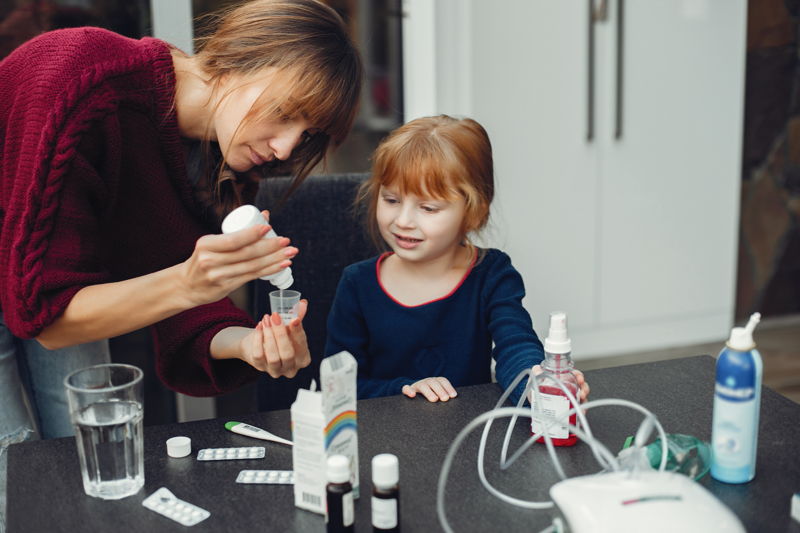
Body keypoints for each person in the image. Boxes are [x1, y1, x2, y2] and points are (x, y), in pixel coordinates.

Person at [0, 0, 362, 527]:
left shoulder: (218, 160)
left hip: (56, 275)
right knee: (15, 467)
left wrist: (250, 344)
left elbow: (184, 311)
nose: (286, 147)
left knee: (88, 453)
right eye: (285, 112)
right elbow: (51, 320)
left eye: (306, 134)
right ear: (242, 55)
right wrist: (189, 281)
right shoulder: (85, 84)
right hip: (28, 262)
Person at [324, 115, 589, 405]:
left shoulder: (492, 274)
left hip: (467, 435)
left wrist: (539, 386)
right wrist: (406, 387)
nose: (402, 220)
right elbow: (339, 387)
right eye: (391, 200)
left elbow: (516, 346)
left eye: (428, 207)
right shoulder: (357, 284)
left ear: (472, 212)